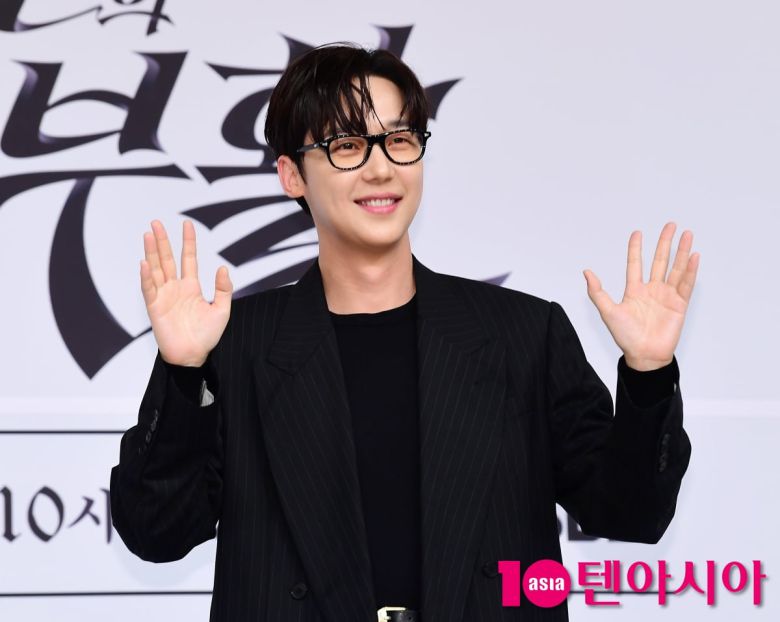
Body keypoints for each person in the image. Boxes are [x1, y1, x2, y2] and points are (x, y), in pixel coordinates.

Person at [110, 44, 699, 622]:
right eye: (346, 145)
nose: (381, 168)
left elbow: (631, 513)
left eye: (399, 140)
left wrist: (648, 375)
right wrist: (183, 372)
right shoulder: (236, 345)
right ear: (292, 175)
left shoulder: (522, 334)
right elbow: (157, 532)